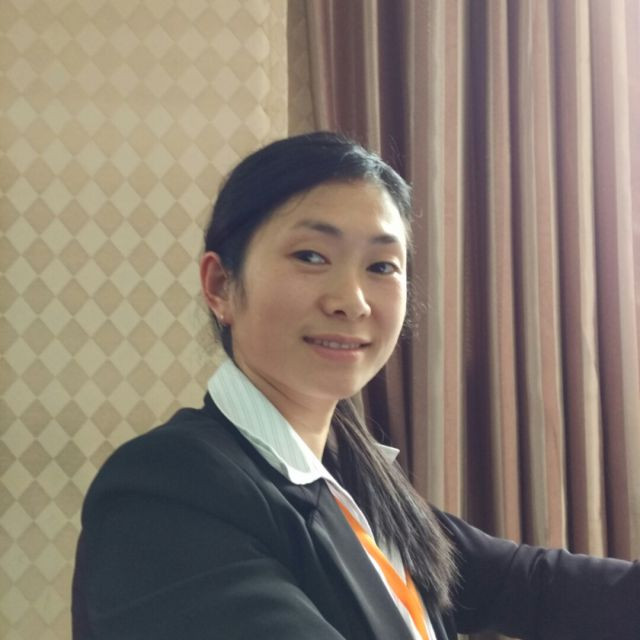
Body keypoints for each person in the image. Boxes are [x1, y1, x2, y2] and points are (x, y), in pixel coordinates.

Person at [72, 132, 639, 640]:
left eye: (382, 266)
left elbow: (530, 583)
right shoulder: (168, 490)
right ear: (220, 285)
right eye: (311, 256)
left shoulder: (352, 478)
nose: (352, 301)